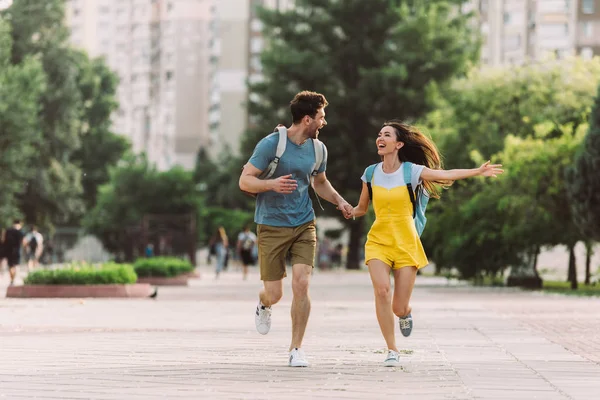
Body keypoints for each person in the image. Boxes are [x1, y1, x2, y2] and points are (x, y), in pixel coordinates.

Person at [351, 120, 503, 367]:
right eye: (379, 134)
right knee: (381, 291)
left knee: (398, 307)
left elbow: (445, 175)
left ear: (398, 144)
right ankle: (391, 349)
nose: (380, 138)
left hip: (406, 242)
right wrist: (349, 209)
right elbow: (362, 207)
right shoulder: (370, 173)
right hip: (378, 240)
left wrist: (477, 171)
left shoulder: (412, 171)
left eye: (387, 135)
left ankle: (405, 312)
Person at [239, 90, 353, 367]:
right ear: (306, 119)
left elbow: (320, 182)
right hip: (271, 225)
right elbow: (245, 181)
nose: (324, 122)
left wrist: (340, 201)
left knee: (302, 283)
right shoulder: (270, 145)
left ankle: (296, 349)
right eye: (321, 117)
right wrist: (270, 184)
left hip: (304, 223)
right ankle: (264, 304)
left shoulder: (318, 149)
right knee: (275, 293)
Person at [4, 220, 25, 286]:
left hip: (8, 251)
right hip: (17, 250)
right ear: (20, 224)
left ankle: (11, 279)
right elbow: (24, 242)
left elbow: (3, 240)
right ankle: (13, 279)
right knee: (16, 265)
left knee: (10, 266)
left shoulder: (8, 230)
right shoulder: (20, 231)